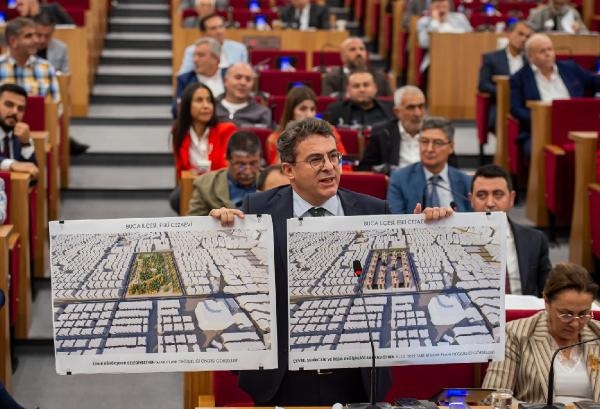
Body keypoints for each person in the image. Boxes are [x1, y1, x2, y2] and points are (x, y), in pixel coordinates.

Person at [210, 117, 454, 406]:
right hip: (283, 378)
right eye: (315, 159)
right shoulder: (258, 209)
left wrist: (422, 236)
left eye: (333, 156)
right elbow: (235, 287)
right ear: (288, 170)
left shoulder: (374, 210)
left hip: (355, 376)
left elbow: (400, 290)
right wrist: (220, 230)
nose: (328, 166)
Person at [482, 262, 600, 403]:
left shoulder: (596, 334)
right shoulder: (516, 334)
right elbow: (493, 396)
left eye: (583, 314)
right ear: (546, 302)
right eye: (566, 314)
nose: (575, 324)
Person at [0, 17, 88, 156]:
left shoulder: (46, 68)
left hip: (37, 135)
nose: (36, 40)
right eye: (29, 36)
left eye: (35, 35)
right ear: (13, 41)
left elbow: (57, 108)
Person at [510, 33, 600, 156]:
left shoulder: (571, 68)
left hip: (577, 127)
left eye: (550, 49)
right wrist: (540, 120)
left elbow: (595, 81)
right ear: (530, 56)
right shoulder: (519, 78)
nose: (548, 54)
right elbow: (515, 109)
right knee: (535, 151)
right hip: (539, 130)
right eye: (542, 51)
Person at [470, 164, 551, 297]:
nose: (490, 203)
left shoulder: (536, 240)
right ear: (471, 200)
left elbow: (549, 292)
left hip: (524, 309)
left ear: (511, 199)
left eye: (498, 195)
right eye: (481, 195)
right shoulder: (456, 239)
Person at [170, 83, 237, 212]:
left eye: (209, 101)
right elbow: (181, 171)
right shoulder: (179, 133)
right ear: (187, 105)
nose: (206, 106)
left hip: (220, 186)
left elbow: (227, 169)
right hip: (194, 185)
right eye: (199, 100)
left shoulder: (226, 130)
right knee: (176, 197)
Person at [388, 116, 471, 213]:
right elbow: (395, 219)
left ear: (451, 147)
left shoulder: (466, 181)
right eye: (424, 141)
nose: (429, 149)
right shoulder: (399, 179)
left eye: (437, 143)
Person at [266, 85, 346, 165]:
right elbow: (276, 170)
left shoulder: (330, 132)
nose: (309, 115)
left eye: (312, 109)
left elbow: (343, 163)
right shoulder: (274, 139)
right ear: (291, 111)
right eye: (303, 109)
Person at [187, 130, 261, 215]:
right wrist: (211, 219)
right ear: (227, 160)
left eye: (253, 164)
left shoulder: (270, 183)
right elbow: (194, 221)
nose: (248, 171)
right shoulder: (205, 185)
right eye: (240, 165)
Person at [477, 21, 533, 132]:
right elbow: (483, 85)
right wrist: (505, 92)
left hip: (525, 105)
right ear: (508, 34)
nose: (524, 39)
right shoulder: (491, 58)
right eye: (520, 34)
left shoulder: (531, 60)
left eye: (527, 36)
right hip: (501, 105)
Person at [358, 85, 426, 174]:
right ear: (397, 112)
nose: (417, 113)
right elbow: (365, 169)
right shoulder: (382, 133)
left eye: (421, 106)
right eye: (411, 108)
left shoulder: (435, 132)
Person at [417, 0, 472, 79]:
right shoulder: (424, 22)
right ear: (431, 7)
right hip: (435, 61)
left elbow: (470, 37)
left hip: (460, 58)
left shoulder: (460, 18)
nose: (442, 9)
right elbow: (424, 43)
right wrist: (435, 22)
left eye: (444, 6)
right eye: (438, 6)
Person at [178, 13, 248, 75]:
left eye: (221, 27)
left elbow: (246, 73)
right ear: (203, 33)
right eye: (213, 28)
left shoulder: (239, 48)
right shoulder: (193, 50)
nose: (219, 31)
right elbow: (183, 75)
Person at [321, 37, 392, 98]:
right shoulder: (331, 78)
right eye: (352, 49)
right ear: (342, 56)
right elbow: (327, 103)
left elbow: (389, 102)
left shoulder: (380, 77)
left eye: (362, 49)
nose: (358, 53)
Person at [173, 37, 225, 118]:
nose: (195, 60)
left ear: (216, 58)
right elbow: (176, 110)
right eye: (194, 55)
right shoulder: (185, 79)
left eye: (201, 55)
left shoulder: (228, 76)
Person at [325, 70, 394, 129]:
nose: (362, 90)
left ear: (375, 88)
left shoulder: (391, 108)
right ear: (348, 90)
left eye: (366, 85)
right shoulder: (335, 110)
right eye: (356, 86)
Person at [215, 63, 272, 128]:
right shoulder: (212, 108)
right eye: (238, 77)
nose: (243, 83)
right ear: (225, 81)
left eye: (248, 79)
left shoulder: (262, 112)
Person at [0, 83, 39, 178]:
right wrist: (11, 164)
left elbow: (33, 178)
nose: (15, 112)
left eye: (20, 109)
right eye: (9, 105)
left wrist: (26, 144)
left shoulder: (21, 135)